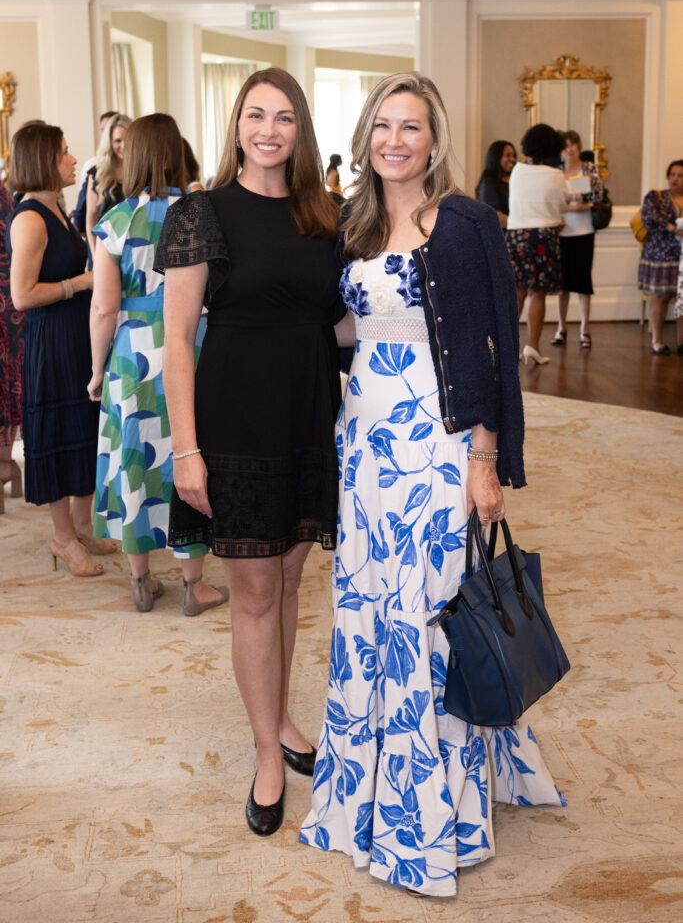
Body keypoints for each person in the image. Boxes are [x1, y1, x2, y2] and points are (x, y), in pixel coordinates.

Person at [299, 72, 564, 898]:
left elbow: (487, 345)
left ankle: (428, 813)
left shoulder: (465, 224)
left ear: (434, 139)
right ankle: (365, 786)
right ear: (365, 136)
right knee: (370, 607)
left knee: (428, 613)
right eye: (382, 125)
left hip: (437, 448)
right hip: (365, 447)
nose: (394, 140)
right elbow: (344, 326)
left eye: (410, 126)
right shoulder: (349, 223)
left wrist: (484, 460)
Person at [154, 68, 343, 836]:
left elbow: (334, 326)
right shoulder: (203, 212)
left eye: (285, 117)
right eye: (255, 115)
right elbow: (175, 339)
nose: (269, 129)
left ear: (301, 132)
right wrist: (186, 451)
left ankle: (283, 716)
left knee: (290, 585)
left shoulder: (322, 217)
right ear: (236, 126)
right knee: (255, 595)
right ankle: (268, 751)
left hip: (308, 423)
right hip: (233, 427)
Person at [87, 114, 224, 614]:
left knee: (135, 458)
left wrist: (98, 370)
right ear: (177, 152)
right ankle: (194, 584)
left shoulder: (115, 221)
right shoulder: (197, 213)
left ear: (133, 155)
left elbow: (104, 308)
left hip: (132, 352)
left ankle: (141, 581)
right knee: (186, 453)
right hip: (189, 344)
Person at [5, 122, 116, 575]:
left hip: (73, 336)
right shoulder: (30, 218)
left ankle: (81, 524)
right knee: (55, 435)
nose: (74, 160)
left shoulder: (59, 209)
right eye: (65, 153)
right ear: (44, 162)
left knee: (82, 429)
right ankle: (62, 538)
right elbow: (22, 296)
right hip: (51, 341)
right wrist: (81, 283)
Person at [505, 123, 567, 365]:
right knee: (538, 294)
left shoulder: (517, 171)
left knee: (517, 293)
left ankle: (510, 348)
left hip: (517, 235)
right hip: (543, 236)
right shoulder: (556, 175)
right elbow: (560, 206)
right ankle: (533, 346)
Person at [551, 131, 604, 350]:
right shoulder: (556, 171)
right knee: (561, 286)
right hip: (561, 231)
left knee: (583, 283)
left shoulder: (589, 168)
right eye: (566, 146)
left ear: (579, 147)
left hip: (584, 231)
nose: (570, 149)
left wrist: (570, 200)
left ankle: (585, 329)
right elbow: (554, 199)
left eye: (574, 145)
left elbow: (598, 195)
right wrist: (575, 201)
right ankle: (561, 327)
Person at [638, 159, 683, 354]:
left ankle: (682, 342)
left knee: (682, 299)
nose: (675, 179)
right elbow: (649, 219)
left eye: (680, 175)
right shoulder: (655, 197)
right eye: (672, 174)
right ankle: (657, 341)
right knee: (661, 297)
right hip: (660, 255)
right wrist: (671, 228)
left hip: (681, 255)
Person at [0, 180, 25, 514]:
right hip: (10, 296)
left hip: (8, 294)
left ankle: (5, 465)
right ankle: (6, 463)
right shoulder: (3, 193)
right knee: (8, 376)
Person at [85, 114, 131, 259]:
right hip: (104, 249)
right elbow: (91, 216)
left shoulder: (141, 171)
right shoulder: (97, 173)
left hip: (134, 247)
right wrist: (95, 255)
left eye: (127, 140)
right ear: (109, 142)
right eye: (118, 140)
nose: (123, 146)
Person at [71, 110, 117, 234]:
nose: (105, 134)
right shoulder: (92, 166)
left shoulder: (134, 167)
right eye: (103, 130)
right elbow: (85, 206)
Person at [475, 139, 516, 228]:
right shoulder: (488, 183)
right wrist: (521, 226)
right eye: (508, 155)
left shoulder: (515, 180)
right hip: (501, 236)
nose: (512, 159)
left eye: (513, 155)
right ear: (496, 158)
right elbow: (494, 216)